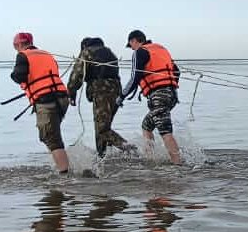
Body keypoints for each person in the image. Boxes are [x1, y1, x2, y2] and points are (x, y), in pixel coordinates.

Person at [10, 31, 90, 176]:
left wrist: (14, 75)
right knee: (51, 136)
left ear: (20, 44)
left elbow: (20, 76)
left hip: (46, 101)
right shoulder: (46, 54)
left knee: (51, 138)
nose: (16, 49)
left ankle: (65, 175)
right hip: (61, 98)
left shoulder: (23, 56)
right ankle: (66, 165)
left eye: (15, 46)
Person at [66, 36, 137, 159]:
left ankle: (132, 150)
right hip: (116, 92)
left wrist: (71, 92)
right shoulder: (109, 53)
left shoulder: (87, 52)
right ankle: (101, 156)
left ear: (84, 46)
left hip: (101, 91)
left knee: (102, 129)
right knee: (103, 126)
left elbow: (77, 74)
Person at [120, 29, 184, 164]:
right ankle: (151, 159)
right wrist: (169, 86)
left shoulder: (140, 52)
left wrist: (121, 96)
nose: (131, 48)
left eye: (131, 45)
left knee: (165, 131)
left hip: (159, 96)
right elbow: (177, 71)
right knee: (146, 125)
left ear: (134, 41)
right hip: (171, 95)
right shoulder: (160, 50)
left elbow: (135, 77)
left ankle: (178, 165)